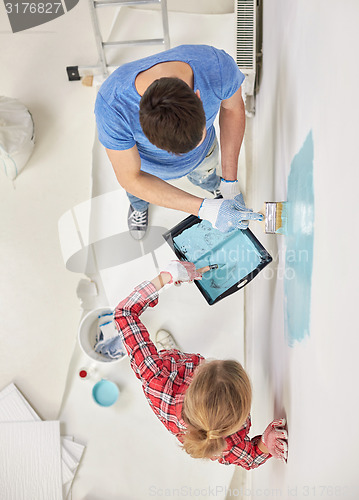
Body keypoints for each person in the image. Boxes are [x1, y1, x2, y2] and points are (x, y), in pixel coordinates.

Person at [113, 260, 288, 468]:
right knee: (171, 358)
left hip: (170, 373)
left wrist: (167, 276)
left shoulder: (157, 377)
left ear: (195, 378)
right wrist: (265, 445)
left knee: (168, 357)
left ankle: (169, 351)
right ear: (242, 417)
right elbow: (250, 457)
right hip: (175, 387)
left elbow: (124, 313)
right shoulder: (228, 445)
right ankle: (171, 352)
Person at [95, 44, 263, 240]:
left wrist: (230, 182)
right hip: (147, 172)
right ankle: (139, 206)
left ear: (198, 97)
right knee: (138, 194)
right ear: (143, 127)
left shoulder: (217, 67)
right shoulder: (113, 107)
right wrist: (204, 209)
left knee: (207, 176)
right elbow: (131, 178)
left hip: (204, 157)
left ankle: (215, 186)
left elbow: (233, 109)